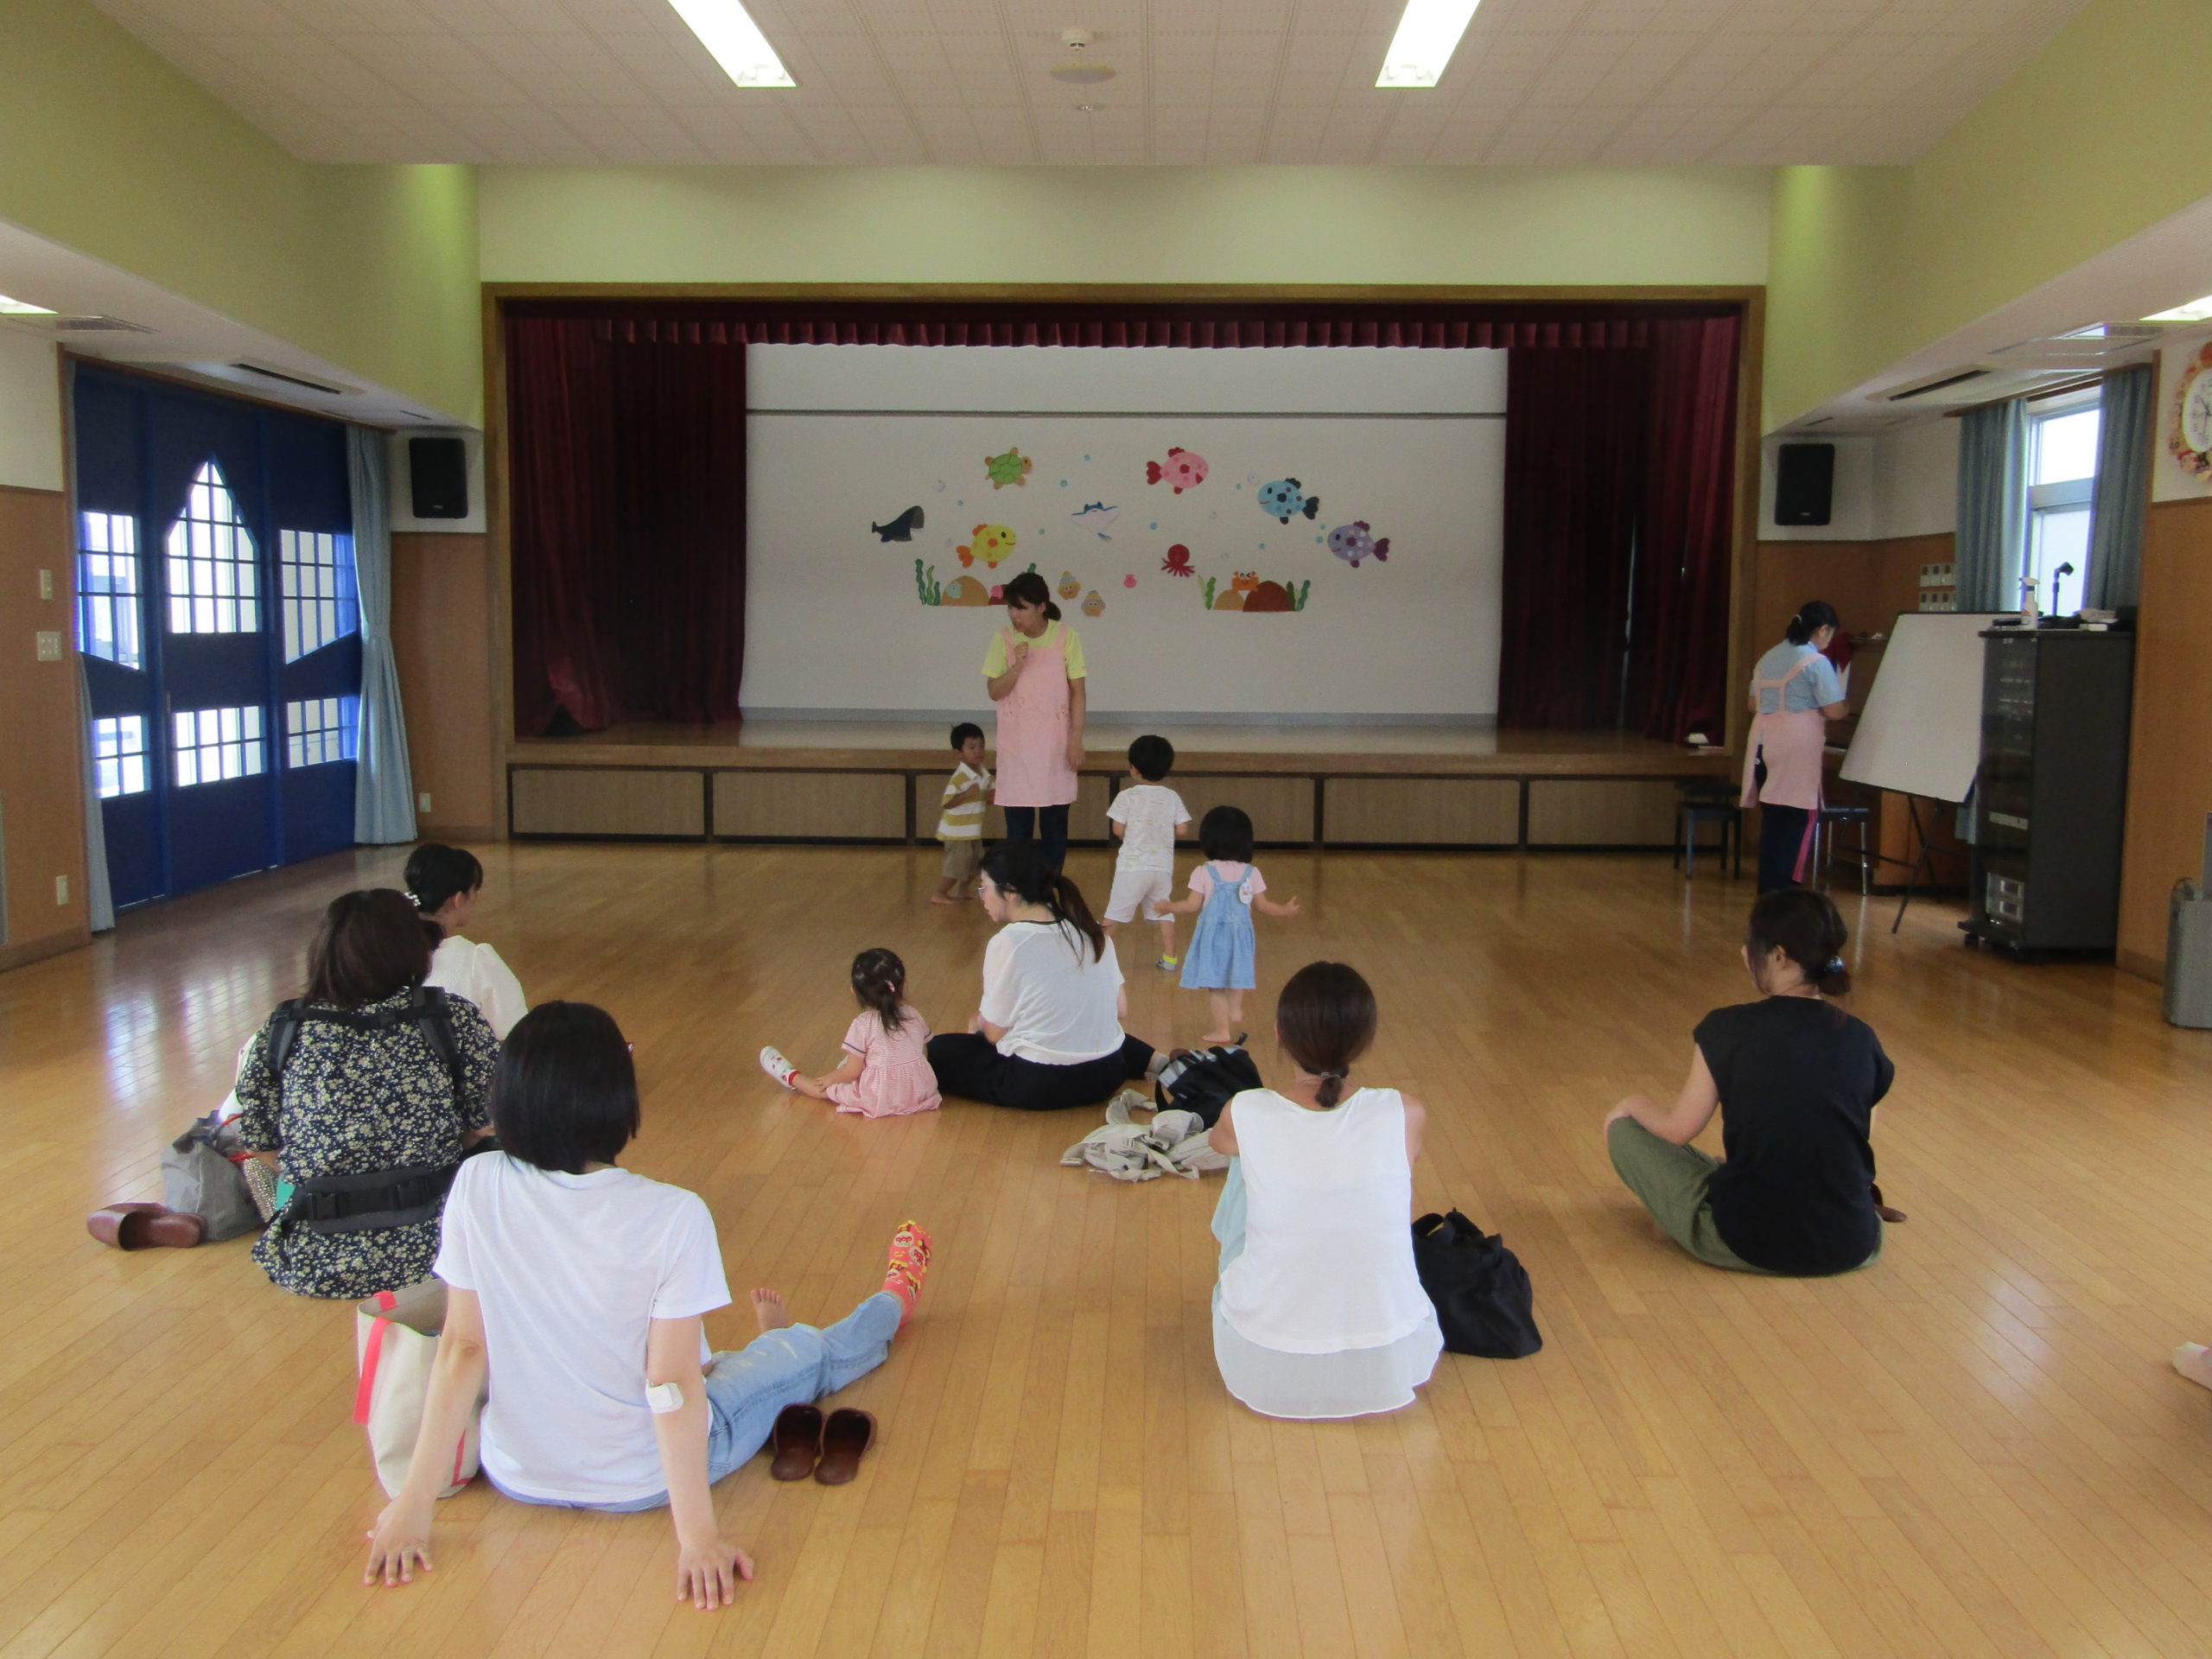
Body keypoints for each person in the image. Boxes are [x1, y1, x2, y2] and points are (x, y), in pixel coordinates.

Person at [362, 1002, 932, 1609]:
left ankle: (765, 1346)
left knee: (696, 1360)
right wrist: (698, 1538)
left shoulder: (477, 1183)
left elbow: (462, 1348)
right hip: (641, 1478)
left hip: (518, 1472)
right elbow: (671, 1383)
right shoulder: (673, 1214)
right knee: (805, 1353)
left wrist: (412, 1505)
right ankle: (889, 1301)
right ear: (619, 1100)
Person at [1604, 887, 1892, 1277]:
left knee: (1626, 1132)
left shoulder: (1727, 1028)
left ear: (1779, 956)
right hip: (1855, 1243)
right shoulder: (1861, 1037)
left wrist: (1631, 1104)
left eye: (1750, 943)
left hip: (1746, 1242)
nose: (1744, 953)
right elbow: (1860, 1133)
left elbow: (1677, 1130)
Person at [233, 889, 499, 1300]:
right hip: (438, 1252)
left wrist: (320, 1174)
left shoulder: (284, 1026)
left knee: (251, 1163)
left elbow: (259, 1141)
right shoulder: (450, 1016)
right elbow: (486, 1123)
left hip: (314, 1258)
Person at [1206, 962, 1440, 1420]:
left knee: (1245, 1167)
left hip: (1262, 1353)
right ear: (1366, 1040)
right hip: (1393, 1348)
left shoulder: (1245, 1110)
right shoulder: (1405, 1111)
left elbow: (1219, 1144)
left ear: (1280, 1034)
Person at [925, 841, 1157, 1111]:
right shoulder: (1091, 929)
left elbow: (995, 1035)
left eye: (984, 887)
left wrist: (978, 1025)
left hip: (1040, 1083)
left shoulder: (1009, 942)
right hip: (1108, 1074)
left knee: (937, 1049)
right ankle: (1158, 1061)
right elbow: (1120, 1009)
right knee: (1085, 1029)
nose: (982, 897)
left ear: (1010, 892)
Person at [1164, 805, 1301, 1046]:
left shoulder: (1203, 871)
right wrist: (1286, 911)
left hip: (1212, 936)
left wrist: (1169, 907)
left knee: (1215, 984)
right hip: (1240, 935)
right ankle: (1236, 1007)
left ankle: (1222, 1031)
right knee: (1238, 972)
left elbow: (1191, 905)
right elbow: (1264, 906)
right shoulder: (1251, 872)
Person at [983, 569, 1087, 873]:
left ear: (1042, 606)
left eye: (1022, 608)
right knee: (1018, 831)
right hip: (1017, 749)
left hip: (1055, 747)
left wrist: (1076, 738)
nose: (1014, 615)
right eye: (1011, 607)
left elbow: (1078, 692)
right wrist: (1017, 666)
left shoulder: (1066, 636)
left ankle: (1050, 887)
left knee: (1055, 827)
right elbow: (994, 691)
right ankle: (1020, 889)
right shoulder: (1003, 638)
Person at [758, 949, 942, 1117]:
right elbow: (922, 1053)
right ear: (901, 986)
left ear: (855, 991)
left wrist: (830, 1079)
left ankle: (789, 1076)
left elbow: (852, 1071)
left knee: (822, 1088)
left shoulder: (863, 1024)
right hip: (920, 1092)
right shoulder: (913, 1014)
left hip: (879, 1097)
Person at [1744, 600, 1848, 893]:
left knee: (1773, 820)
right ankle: (1787, 894)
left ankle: (1768, 893)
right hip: (1796, 748)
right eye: (1830, 635)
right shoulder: (1815, 662)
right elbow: (1835, 711)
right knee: (1800, 819)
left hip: (1763, 745)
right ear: (1823, 629)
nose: (1829, 642)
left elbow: (1752, 704)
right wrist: (1847, 707)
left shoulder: (1768, 657)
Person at [407, 842, 529, 1039]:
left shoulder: (386, 951)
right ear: (458, 899)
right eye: (475, 890)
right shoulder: (475, 960)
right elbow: (515, 1032)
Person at [1103, 734, 1192, 971]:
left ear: (1134, 768)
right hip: (1162, 867)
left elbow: (1117, 829)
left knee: (1114, 914)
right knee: (1165, 912)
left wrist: (1131, 834)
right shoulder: (1172, 797)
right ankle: (1170, 959)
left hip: (1132, 868)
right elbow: (1183, 829)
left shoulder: (1126, 796)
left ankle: (1098, 958)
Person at [931, 723, 992, 906]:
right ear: (959, 753)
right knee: (957, 866)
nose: (978, 751)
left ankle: (963, 890)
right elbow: (947, 803)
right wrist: (965, 794)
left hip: (972, 830)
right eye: (972, 747)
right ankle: (939, 893)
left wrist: (991, 797)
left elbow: (987, 796)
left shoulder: (984, 773)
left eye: (981, 746)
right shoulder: (959, 778)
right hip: (957, 833)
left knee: (975, 863)